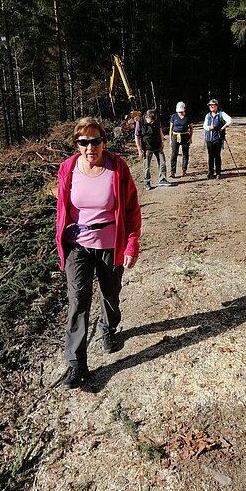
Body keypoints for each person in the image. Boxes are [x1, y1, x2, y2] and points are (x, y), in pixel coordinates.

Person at [55, 117, 141, 390]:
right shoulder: (68, 169)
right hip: (78, 245)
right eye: (84, 142)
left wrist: (131, 243)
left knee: (111, 293)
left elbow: (131, 209)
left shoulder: (117, 167)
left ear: (104, 141)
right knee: (78, 300)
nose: (90, 147)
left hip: (110, 243)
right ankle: (76, 364)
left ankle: (109, 328)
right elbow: (62, 211)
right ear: (77, 144)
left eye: (95, 141)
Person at [135, 109, 171, 190]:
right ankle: (147, 182)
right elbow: (137, 136)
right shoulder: (139, 122)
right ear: (146, 117)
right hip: (147, 148)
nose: (152, 123)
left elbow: (160, 130)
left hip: (158, 145)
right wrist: (139, 149)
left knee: (162, 163)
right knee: (146, 166)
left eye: (153, 121)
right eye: (151, 121)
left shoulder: (156, 120)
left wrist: (162, 140)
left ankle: (162, 179)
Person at [203, 99, 232, 179]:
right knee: (210, 156)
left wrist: (222, 127)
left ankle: (218, 172)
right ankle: (210, 171)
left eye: (213, 105)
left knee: (217, 155)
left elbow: (229, 120)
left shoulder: (221, 114)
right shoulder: (208, 115)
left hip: (218, 138)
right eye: (210, 105)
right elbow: (204, 126)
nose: (211, 106)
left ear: (217, 106)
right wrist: (209, 127)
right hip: (209, 138)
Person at [169, 101, 194, 178]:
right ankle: (173, 172)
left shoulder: (188, 117)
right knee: (174, 154)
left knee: (185, 154)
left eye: (181, 111)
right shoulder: (174, 116)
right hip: (176, 136)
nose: (180, 113)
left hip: (185, 135)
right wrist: (170, 140)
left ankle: (184, 170)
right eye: (179, 112)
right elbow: (171, 129)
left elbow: (191, 128)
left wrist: (190, 138)